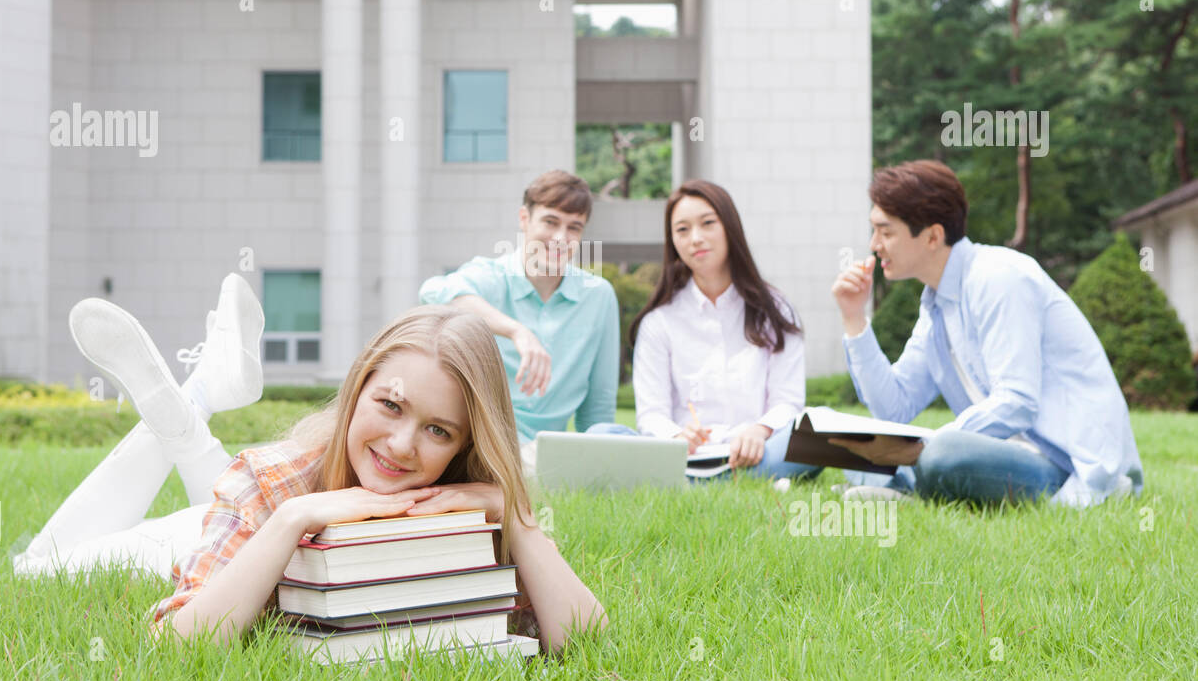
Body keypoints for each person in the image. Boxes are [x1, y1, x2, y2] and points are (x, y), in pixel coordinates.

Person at [13, 280, 607, 654]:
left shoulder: (465, 502)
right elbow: (172, 644)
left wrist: (516, 517)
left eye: (437, 430)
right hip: (190, 534)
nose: (401, 446)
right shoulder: (273, 482)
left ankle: (201, 395)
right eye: (390, 405)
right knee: (37, 567)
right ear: (358, 388)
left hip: (244, 502)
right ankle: (196, 400)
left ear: (465, 442)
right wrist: (292, 518)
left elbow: (587, 644)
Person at [829, 159, 1144, 507]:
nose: (874, 244)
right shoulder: (936, 305)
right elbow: (894, 409)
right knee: (857, 450)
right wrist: (854, 318)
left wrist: (921, 448)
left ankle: (909, 489)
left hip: (1067, 465)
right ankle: (907, 488)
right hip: (1005, 454)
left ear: (933, 236)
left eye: (886, 232)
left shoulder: (999, 278)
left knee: (942, 454)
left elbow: (1017, 403)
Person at [588, 180, 818, 484]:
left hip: (758, 451)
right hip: (683, 456)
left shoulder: (774, 311)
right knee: (601, 436)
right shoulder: (660, 321)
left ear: (729, 227)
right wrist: (676, 435)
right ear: (673, 241)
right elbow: (651, 413)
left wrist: (759, 430)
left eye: (707, 223)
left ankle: (694, 482)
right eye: (682, 230)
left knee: (817, 431)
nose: (695, 238)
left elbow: (787, 401)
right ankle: (722, 479)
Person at [418, 170, 620, 466]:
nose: (561, 238)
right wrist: (516, 331)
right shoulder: (492, 277)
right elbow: (433, 292)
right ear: (524, 219)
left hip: (548, 454)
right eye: (550, 222)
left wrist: (598, 463)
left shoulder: (598, 296)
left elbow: (598, 406)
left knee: (614, 436)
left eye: (574, 228)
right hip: (483, 444)